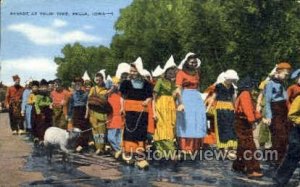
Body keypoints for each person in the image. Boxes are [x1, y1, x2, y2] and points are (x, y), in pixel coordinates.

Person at [119, 57, 152, 169]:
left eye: (134, 71)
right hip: (129, 110)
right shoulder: (126, 83)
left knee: (141, 132)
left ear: (139, 72)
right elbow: (122, 97)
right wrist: (122, 108)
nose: (132, 73)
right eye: (131, 71)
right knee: (129, 132)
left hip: (142, 110)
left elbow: (149, 97)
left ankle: (140, 158)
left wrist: (146, 101)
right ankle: (129, 155)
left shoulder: (147, 84)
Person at [175, 52, 207, 154]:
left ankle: (194, 148)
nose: (193, 63)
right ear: (187, 62)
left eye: (195, 62)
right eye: (191, 61)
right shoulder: (181, 73)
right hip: (185, 97)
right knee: (187, 122)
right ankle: (185, 148)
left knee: (196, 121)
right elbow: (178, 88)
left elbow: (198, 87)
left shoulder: (197, 73)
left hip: (196, 98)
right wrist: (180, 103)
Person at [233, 76, 263, 178]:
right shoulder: (245, 94)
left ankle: (238, 166)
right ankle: (253, 169)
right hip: (243, 121)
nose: (254, 88)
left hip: (241, 120)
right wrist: (253, 120)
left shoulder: (243, 93)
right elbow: (248, 109)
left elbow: (250, 109)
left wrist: (258, 116)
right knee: (249, 146)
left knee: (243, 145)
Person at [207, 69, 239, 158]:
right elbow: (214, 97)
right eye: (231, 79)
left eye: (233, 80)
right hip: (220, 108)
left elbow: (233, 99)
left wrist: (235, 109)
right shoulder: (219, 86)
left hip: (230, 108)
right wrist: (208, 108)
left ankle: (230, 150)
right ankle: (222, 151)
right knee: (221, 129)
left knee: (230, 128)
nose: (232, 81)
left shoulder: (232, 87)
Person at [264, 62, 291, 167]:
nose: (286, 77)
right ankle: (276, 159)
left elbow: (285, 98)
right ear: (279, 72)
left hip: (283, 111)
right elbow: (267, 101)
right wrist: (269, 116)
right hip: (275, 111)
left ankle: (278, 158)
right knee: (278, 136)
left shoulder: (282, 84)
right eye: (285, 74)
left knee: (284, 136)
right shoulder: (270, 83)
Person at [153, 55, 177, 159]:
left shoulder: (173, 83)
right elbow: (154, 98)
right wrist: (154, 112)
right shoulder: (160, 81)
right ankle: (163, 151)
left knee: (171, 127)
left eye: (173, 72)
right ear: (165, 72)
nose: (171, 74)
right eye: (169, 72)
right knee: (161, 128)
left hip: (170, 106)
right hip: (161, 105)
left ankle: (168, 151)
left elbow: (175, 96)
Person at [273, 94, 300, 186]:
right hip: (298, 132)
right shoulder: (299, 98)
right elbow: (292, 115)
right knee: (292, 156)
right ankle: (280, 179)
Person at [87, 72, 110, 155]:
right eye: (96, 79)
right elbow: (89, 101)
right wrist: (87, 113)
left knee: (102, 132)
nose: (98, 81)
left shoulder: (106, 89)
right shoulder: (93, 89)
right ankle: (98, 148)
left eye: (99, 79)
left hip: (102, 113)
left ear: (102, 80)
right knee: (95, 132)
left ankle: (101, 147)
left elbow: (108, 102)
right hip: (93, 113)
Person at [68, 77, 90, 152]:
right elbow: (70, 105)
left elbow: (87, 105)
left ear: (82, 84)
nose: (78, 85)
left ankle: (83, 144)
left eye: (79, 84)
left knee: (84, 129)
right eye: (76, 84)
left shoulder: (86, 94)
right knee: (77, 129)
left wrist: (87, 114)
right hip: (76, 112)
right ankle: (78, 144)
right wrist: (70, 116)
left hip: (83, 111)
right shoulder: (72, 94)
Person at [107, 77, 124, 159]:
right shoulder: (108, 94)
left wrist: (122, 108)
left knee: (118, 137)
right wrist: (111, 89)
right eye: (114, 84)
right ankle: (119, 150)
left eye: (117, 84)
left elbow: (122, 101)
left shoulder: (121, 94)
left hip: (119, 116)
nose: (115, 85)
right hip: (111, 118)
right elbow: (104, 97)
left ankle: (120, 151)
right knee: (110, 137)